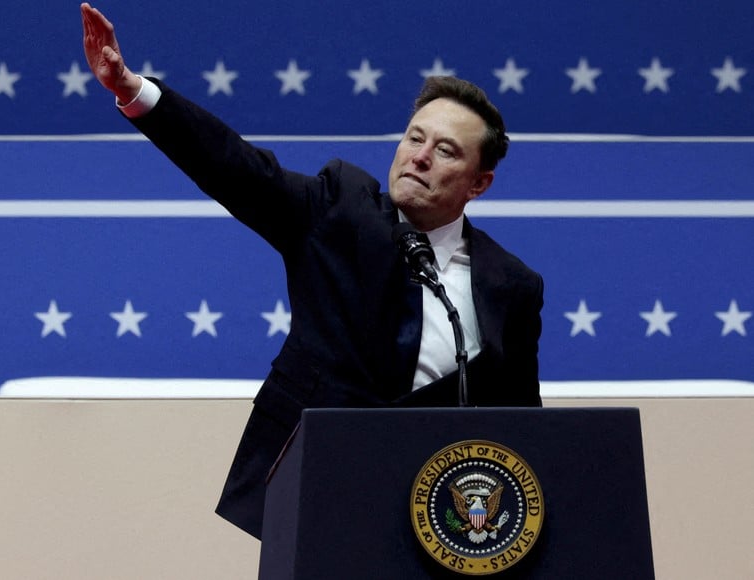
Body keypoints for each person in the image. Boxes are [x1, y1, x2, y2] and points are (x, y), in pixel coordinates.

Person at [81, 2, 543, 540]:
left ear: (478, 184)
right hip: (317, 485)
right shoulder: (338, 208)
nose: (419, 157)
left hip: (442, 514)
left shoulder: (510, 284)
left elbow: (522, 424)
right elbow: (234, 166)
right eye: (414, 138)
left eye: (444, 151)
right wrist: (134, 91)